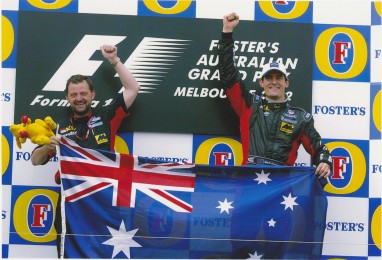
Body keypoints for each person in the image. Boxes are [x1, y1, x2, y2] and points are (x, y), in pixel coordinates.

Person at [31, 44, 140, 257]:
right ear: (67, 97)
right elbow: (35, 160)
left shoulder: (108, 115)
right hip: (70, 199)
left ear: (92, 95)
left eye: (83, 93)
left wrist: (114, 61)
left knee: (104, 250)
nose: (79, 98)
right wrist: (47, 146)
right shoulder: (58, 126)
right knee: (67, 250)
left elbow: (132, 89)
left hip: (103, 197)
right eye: (73, 94)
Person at [218, 12, 332, 179]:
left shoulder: (301, 118)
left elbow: (319, 149)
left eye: (279, 77)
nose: (274, 82)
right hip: (249, 182)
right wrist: (227, 33)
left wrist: (324, 161)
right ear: (261, 82)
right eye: (269, 78)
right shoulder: (249, 105)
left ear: (287, 82)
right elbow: (229, 75)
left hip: (280, 188)